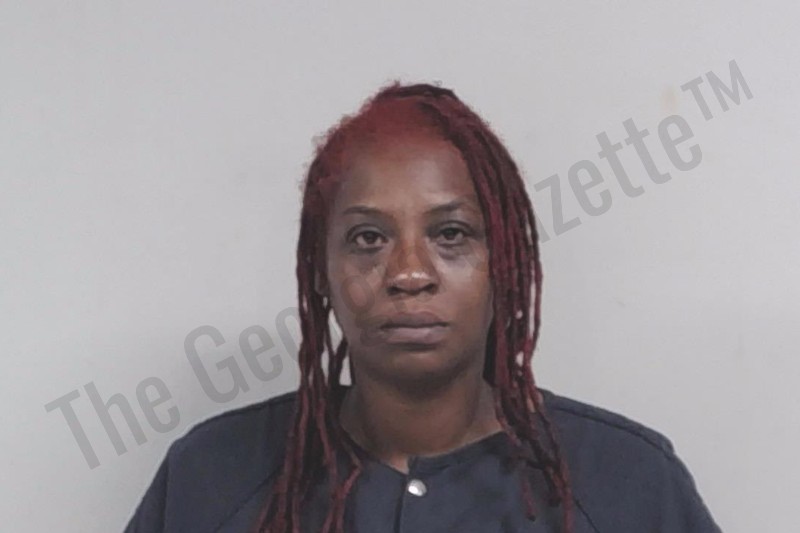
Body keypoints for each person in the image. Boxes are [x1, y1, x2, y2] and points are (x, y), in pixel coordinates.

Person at [125, 83, 721, 533]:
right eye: (368, 238)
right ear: (321, 271)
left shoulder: (628, 483)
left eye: (451, 234)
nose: (409, 274)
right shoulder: (215, 474)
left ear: (505, 263)